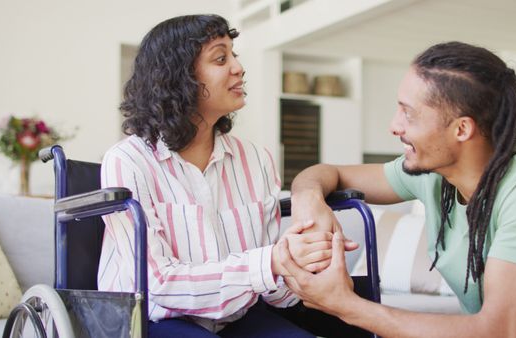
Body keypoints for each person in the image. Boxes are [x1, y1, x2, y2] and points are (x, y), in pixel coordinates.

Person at [279, 41, 516, 337]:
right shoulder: (436, 170)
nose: (393, 126)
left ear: (461, 130)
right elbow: (327, 173)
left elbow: (500, 331)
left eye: (408, 114)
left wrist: (344, 305)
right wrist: (309, 201)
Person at [98, 14, 341, 338]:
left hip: (237, 315)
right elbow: (154, 285)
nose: (239, 67)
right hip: (150, 319)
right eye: (220, 58)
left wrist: (309, 261)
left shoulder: (256, 160)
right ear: (177, 77)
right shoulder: (127, 162)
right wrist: (268, 263)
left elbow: (274, 289)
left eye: (234, 55)